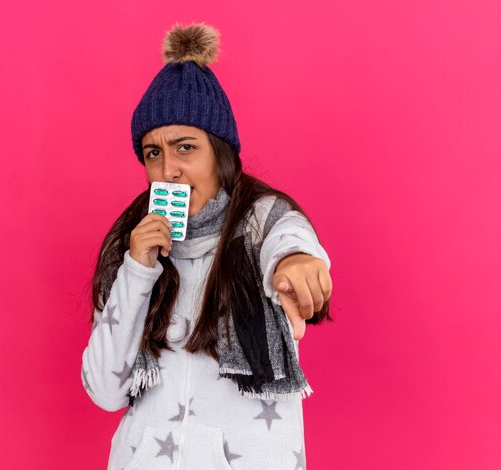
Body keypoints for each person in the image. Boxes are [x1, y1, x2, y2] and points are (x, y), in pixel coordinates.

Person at [81, 21, 333, 470]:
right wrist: (138, 269)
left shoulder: (263, 220)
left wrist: (296, 262)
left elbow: (288, 239)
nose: (169, 170)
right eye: (153, 152)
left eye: (185, 148)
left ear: (221, 153)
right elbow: (104, 391)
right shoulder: (129, 241)